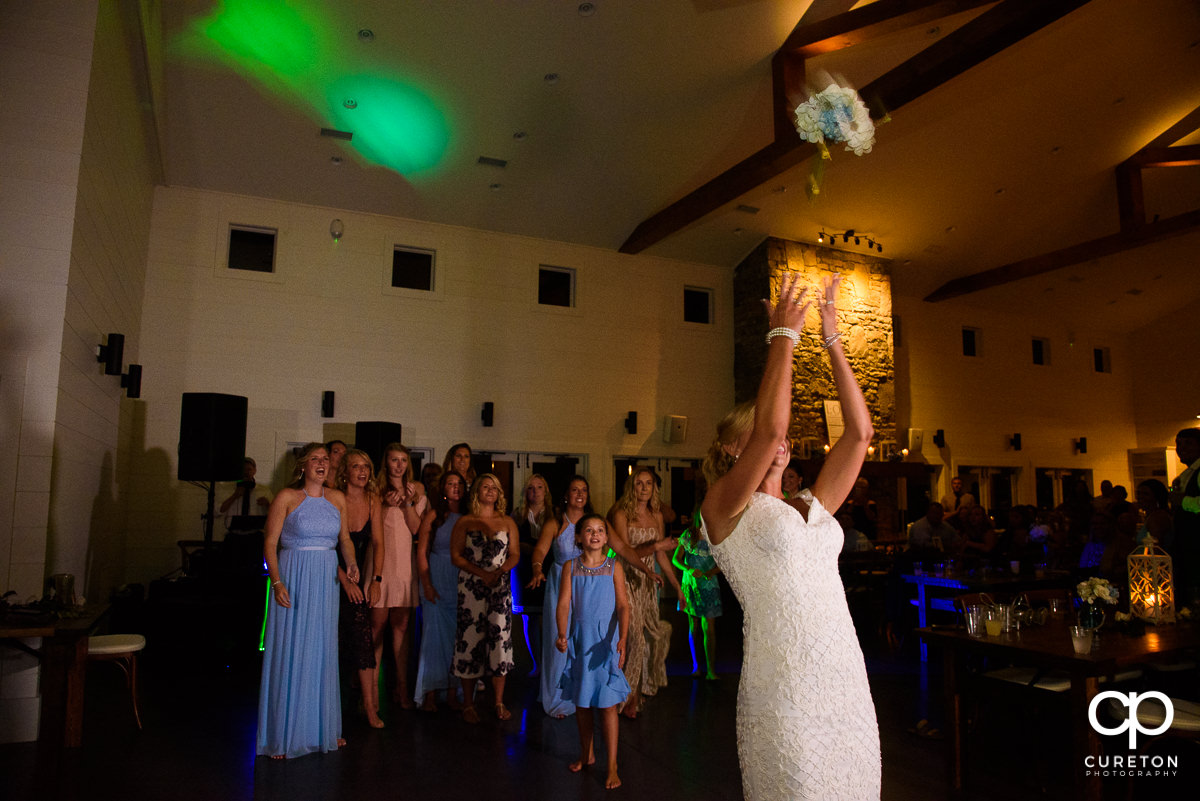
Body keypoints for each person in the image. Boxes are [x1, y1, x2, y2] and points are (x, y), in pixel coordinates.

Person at [699, 273, 880, 799]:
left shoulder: (812, 503)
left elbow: (861, 433)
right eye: (751, 435)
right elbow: (773, 431)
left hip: (843, 671)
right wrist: (783, 338)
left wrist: (832, 339)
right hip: (784, 679)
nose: (772, 439)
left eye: (769, 432)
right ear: (736, 451)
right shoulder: (724, 507)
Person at [257, 443, 358, 759]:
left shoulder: (337, 499)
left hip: (325, 580)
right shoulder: (287, 498)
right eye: (315, 459)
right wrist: (276, 581)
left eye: (325, 460)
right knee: (291, 649)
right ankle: (282, 733)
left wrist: (352, 563)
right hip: (294, 578)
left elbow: (344, 540)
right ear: (302, 465)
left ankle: (322, 728)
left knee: (321, 649)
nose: (322, 463)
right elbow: (270, 543)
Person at [555, 514, 631, 790]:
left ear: (607, 537)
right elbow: (564, 604)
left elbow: (623, 605)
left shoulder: (614, 567)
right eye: (589, 530)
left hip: (605, 643)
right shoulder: (570, 567)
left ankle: (612, 764)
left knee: (608, 705)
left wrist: (622, 637)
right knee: (583, 703)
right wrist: (562, 633)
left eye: (600, 530)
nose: (595, 534)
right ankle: (586, 752)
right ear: (579, 537)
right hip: (580, 642)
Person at [608, 466, 680, 718]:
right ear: (632, 486)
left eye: (648, 483)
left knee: (653, 635)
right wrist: (657, 545)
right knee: (634, 637)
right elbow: (626, 553)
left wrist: (677, 587)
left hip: (650, 581)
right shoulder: (621, 513)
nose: (644, 488)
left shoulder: (657, 514)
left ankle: (639, 689)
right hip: (627, 577)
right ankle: (627, 696)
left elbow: (660, 554)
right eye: (639, 483)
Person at [451, 473, 519, 723]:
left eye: (495, 488)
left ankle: (498, 702)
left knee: (500, 642)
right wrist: (481, 574)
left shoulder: (507, 522)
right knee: (470, 641)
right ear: (476, 491)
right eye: (486, 487)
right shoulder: (465, 522)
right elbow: (456, 556)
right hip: (471, 587)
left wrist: (498, 573)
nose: (491, 491)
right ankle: (468, 704)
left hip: (499, 589)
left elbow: (514, 554)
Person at [526, 475, 591, 718]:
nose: (580, 494)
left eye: (584, 490)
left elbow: (613, 549)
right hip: (559, 582)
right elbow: (540, 551)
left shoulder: (592, 523)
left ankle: (582, 694)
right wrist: (537, 568)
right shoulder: (556, 523)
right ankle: (557, 697)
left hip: (586, 583)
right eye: (575, 490)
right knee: (559, 638)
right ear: (566, 495)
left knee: (583, 639)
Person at [371, 443, 426, 709]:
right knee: (376, 627)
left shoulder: (416, 489)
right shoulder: (375, 489)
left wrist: (407, 504)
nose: (399, 465)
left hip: (405, 563)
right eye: (394, 460)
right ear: (387, 462)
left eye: (403, 460)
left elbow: (417, 529)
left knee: (402, 627)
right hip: (381, 562)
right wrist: (382, 505)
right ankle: (369, 693)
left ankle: (402, 687)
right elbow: (367, 527)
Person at [336, 449, 385, 729]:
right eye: (356, 466)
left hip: (357, 578)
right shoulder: (334, 497)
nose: (363, 471)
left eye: (366, 466)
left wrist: (375, 580)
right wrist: (344, 579)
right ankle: (335, 709)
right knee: (337, 645)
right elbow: (329, 545)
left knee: (364, 642)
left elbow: (378, 543)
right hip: (332, 575)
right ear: (345, 471)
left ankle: (369, 707)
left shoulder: (372, 500)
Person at [413, 470, 466, 711]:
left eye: (459, 484)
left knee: (457, 640)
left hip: (459, 580)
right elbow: (421, 552)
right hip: (436, 576)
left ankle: (453, 693)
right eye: (450, 483)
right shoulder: (434, 515)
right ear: (442, 488)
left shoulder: (467, 516)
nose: (455, 487)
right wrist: (427, 584)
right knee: (433, 640)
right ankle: (430, 693)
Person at [513, 474, 555, 675]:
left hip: (549, 569)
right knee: (529, 617)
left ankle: (549, 662)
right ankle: (536, 662)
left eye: (539, 487)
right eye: (531, 488)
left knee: (550, 617)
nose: (535, 491)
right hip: (524, 570)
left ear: (545, 491)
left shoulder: (555, 515)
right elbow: (513, 543)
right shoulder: (518, 515)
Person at [671, 521, 721, 680]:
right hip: (691, 585)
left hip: (709, 586)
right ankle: (696, 666)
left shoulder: (716, 532)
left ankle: (711, 670)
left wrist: (711, 571)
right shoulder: (689, 534)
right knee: (694, 626)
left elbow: (725, 561)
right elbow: (675, 559)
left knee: (709, 627)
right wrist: (689, 569)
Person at [1170, 428, 1200, 605]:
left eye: (1188, 443)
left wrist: (1183, 501)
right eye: (1178, 444)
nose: (1181, 448)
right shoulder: (1185, 475)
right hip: (1187, 545)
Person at [219, 457, 271, 530]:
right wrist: (234, 496)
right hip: (233, 534)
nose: (246, 472)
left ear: (254, 471)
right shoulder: (228, 489)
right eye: (243, 469)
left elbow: (275, 514)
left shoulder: (264, 491)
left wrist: (267, 504)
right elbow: (218, 511)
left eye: (249, 469)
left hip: (255, 534)